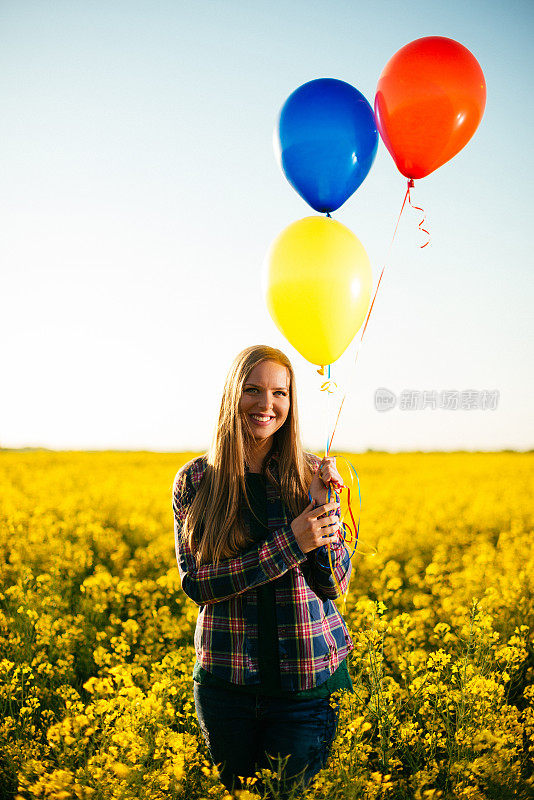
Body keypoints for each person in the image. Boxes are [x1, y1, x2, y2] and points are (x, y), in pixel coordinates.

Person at [172, 345, 354, 799]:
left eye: (280, 393)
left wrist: (319, 507)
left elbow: (332, 584)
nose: (266, 404)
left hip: (305, 686)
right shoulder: (196, 481)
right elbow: (200, 584)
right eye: (253, 390)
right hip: (227, 684)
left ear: (292, 403)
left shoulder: (311, 473)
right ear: (233, 395)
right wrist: (291, 542)